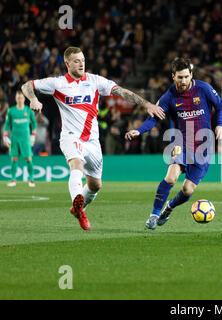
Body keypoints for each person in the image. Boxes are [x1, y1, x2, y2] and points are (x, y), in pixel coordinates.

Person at [21, 46, 164, 231]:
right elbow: (26, 86)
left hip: (93, 141)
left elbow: (120, 91)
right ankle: (78, 204)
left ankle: (79, 208)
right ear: (67, 63)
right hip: (71, 137)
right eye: (76, 61)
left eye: (83, 60)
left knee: (95, 185)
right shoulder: (57, 83)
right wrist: (33, 99)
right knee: (76, 166)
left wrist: (146, 104)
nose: (81, 64)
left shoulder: (95, 81)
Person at [125, 57, 222, 230]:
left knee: (187, 190)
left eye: (186, 76)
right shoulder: (168, 97)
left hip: (204, 145)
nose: (184, 80)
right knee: (171, 178)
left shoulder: (204, 88)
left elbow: (221, 106)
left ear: (191, 74)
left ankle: (169, 207)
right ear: (173, 76)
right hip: (181, 141)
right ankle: (154, 215)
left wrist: (220, 125)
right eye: (180, 77)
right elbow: (154, 117)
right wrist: (139, 130)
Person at [2, 90, 37, 187]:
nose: (20, 99)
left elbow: (34, 123)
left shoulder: (28, 110)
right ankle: (13, 179)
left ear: (24, 98)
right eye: (18, 97)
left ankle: (31, 179)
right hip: (14, 138)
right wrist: (5, 136)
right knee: (14, 158)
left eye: (21, 97)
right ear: (15, 99)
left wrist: (33, 136)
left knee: (28, 159)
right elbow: (7, 124)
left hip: (25, 138)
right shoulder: (11, 110)